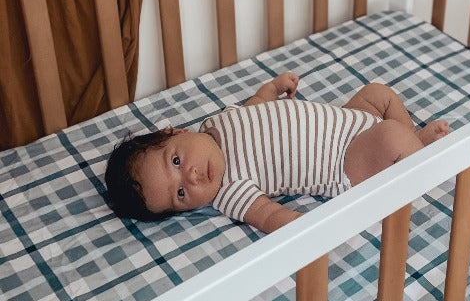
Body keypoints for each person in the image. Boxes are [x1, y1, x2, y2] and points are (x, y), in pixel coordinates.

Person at [104, 73, 449, 233]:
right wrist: (305, 228)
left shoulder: (214, 122)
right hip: (345, 158)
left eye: (176, 162)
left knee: (378, 93)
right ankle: (417, 150)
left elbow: (252, 110)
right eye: (180, 194)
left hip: (349, 120)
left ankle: (413, 140)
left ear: (174, 131)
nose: (191, 177)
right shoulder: (229, 191)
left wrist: (268, 90)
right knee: (389, 136)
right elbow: (268, 216)